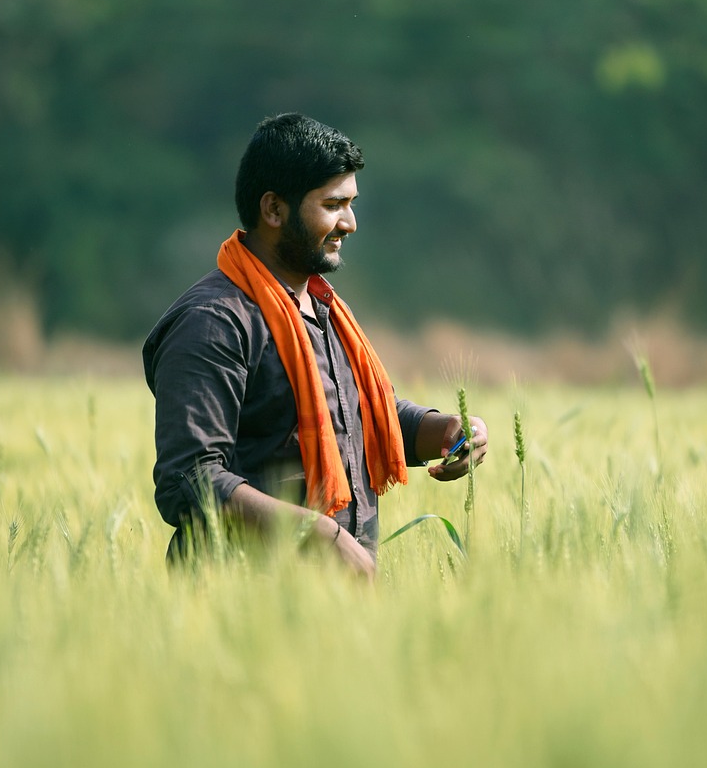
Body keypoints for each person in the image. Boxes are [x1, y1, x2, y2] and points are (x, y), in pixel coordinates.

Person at [142, 113, 488, 578]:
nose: (350, 223)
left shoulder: (323, 309)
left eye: (351, 204)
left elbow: (358, 417)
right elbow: (189, 479)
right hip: (239, 601)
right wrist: (318, 535)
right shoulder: (213, 322)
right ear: (273, 209)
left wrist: (444, 430)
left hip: (330, 605)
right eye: (333, 205)